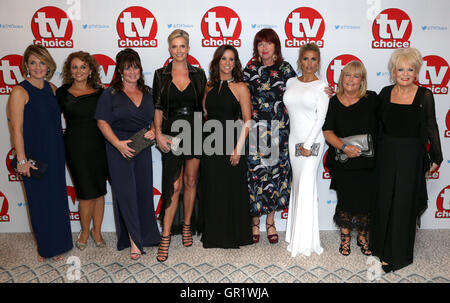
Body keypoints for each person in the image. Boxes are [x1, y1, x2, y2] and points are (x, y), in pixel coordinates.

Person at [370, 48, 442, 272]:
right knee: (384, 201)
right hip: (386, 154)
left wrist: (437, 156)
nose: (405, 73)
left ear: (417, 72)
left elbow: (431, 126)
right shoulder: (384, 92)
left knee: (403, 204)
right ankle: (379, 248)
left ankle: (398, 255)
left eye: (410, 69)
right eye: (400, 69)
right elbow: (376, 124)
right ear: (393, 71)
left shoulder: (425, 95)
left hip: (412, 156)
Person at [7, 44, 73, 262]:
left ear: (48, 65)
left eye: (42, 62)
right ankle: (45, 247)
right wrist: (22, 160)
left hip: (54, 151)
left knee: (57, 200)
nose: (38, 67)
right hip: (33, 156)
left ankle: (60, 244)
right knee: (39, 203)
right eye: (33, 62)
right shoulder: (19, 91)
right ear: (26, 65)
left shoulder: (53, 88)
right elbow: (16, 128)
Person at [95, 48, 160, 260]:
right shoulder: (110, 93)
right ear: (120, 70)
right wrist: (117, 144)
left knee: (142, 191)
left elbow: (157, 116)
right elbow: (102, 121)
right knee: (126, 193)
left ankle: (147, 235)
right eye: (127, 68)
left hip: (142, 148)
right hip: (119, 148)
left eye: (135, 67)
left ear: (140, 68)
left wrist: (154, 130)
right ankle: (133, 240)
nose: (132, 72)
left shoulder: (149, 92)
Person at [152, 29, 207, 262]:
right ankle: (165, 235)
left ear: (188, 48)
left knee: (191, 181)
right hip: (171, 133)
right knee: (173, 185)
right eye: (174, 46)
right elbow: (158, 108)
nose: (178, 50)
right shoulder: (160, 74)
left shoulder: (199, 74)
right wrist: (157, 134)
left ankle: (186, 226)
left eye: (182, 46)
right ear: (169, 49)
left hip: (195, 130)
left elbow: (206, 107)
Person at [243, 28, 297, 244]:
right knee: (255, 177)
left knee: (275, 178)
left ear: (276, 46)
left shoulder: (286, 69)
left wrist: (322, 91)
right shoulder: (250, 68)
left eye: (268, 43)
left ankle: (270, 223)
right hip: (255, 131)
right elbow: (239, 94)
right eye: (260, 44)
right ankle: (255, 223)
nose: (264, 48)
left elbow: (298, 94)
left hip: (279, 131)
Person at [322, 60, 379, 256]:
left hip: (367, 161)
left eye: (356, 76)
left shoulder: (372, 99)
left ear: (362, 80)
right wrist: (345, 148)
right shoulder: (333, 101)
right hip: (343, 160)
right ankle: (345, 237)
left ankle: (362, 236)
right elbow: (327, 132)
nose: (351, 79)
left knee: (365, 200)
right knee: (345, 200)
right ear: (341, 78)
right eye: (347, 75)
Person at [200, 45, 253, 249]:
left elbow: (247, 121)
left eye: (231, 59)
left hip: (232, 143)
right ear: (217, 61)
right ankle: (213, 236)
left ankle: (233, 236)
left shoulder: (241, 87)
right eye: (224, 59)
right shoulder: (209, 85)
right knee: (213, 189)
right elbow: (206, 111)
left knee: (231, 189)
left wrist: (238, 149)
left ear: (235, 63)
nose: (227, 63)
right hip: (210, 144)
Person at [56, 51, 108, 251]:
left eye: (83, 67)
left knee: (100, 190)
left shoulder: (101, 92)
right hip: (74, 146)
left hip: (99, 145)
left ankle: (97, 231)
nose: (79, 71)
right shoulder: (61, 92)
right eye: (75, 67)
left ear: (90, 70)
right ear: (70, 70)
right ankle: (85, 232)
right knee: (86, 192)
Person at [283, 43, 329, 257]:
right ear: (300, 61)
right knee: (298, 184)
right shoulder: (291, 81)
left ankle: (306, 242)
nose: (309, 63)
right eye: (305, 59)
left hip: (313, 142)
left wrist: (309, 145)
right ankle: (295, 235)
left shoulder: (322, 86)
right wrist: (300, 145)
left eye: (313, 59)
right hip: (294, 141)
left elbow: (321, 118)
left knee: (307, 184)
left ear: (318, 62)